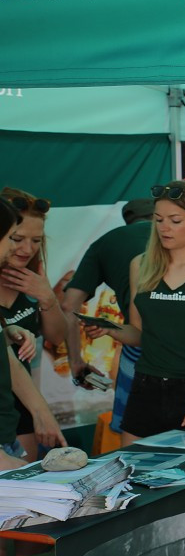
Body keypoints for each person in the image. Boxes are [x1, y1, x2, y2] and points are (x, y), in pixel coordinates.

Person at [83, 181, 185, 444]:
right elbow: (139, 334)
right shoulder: (140, 266)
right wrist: (111, 329)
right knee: (133, 476)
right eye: (159, 219)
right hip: (146, 388)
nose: (164, 227)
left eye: (175, 220)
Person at [61, 198, 155, 436]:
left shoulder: (106, 242)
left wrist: (76, 363)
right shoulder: (180, 237)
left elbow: (69, 306)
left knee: (133, 432)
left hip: (139, 344)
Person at [0, 188, 68, 453]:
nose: (27, 249)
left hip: (24, 404)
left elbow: (57, 337)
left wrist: (47, 298)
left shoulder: (35, 277)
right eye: (16, 238)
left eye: (37, 240)